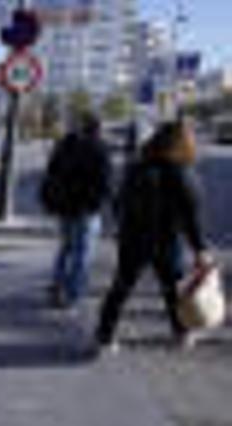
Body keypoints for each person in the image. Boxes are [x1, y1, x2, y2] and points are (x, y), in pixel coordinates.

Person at [94, 120, 213, 353]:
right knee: (173, 289)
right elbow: (190, 215)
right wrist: (200, 249)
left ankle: (104, 335)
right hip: (166, 240)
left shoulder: (137, 166)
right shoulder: (180, 172)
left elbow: (119, 203)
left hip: (134, 238)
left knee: (121, 287)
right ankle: (181, 332)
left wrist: (124, 227)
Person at [40, 113, 112, 307]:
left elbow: (50, 173)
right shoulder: (99, 148)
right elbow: (105, 181)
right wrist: (102, 203)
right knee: (83, 251)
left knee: (66, 247)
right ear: (97, 129)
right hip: (86, 208)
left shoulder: (64, 145)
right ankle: (73, 293)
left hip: (65, 206)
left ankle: (57, 283)